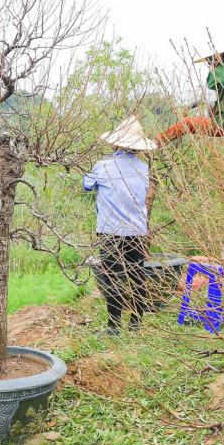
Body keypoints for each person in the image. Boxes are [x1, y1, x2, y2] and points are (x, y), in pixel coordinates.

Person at [83, 117, 157, 337]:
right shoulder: (145, 168)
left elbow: (86, 186)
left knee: (112, 277)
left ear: (116, 143)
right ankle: (135, 324)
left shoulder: (103, 166)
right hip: (137, 232)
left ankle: (114, 327)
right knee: (137, 275)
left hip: (111, 232)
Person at [155, 48, 224, 207]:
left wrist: (210, 117)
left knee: (185, 123)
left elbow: (211, 102)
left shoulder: (214, 73)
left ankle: (155, 142)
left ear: (214, 58)